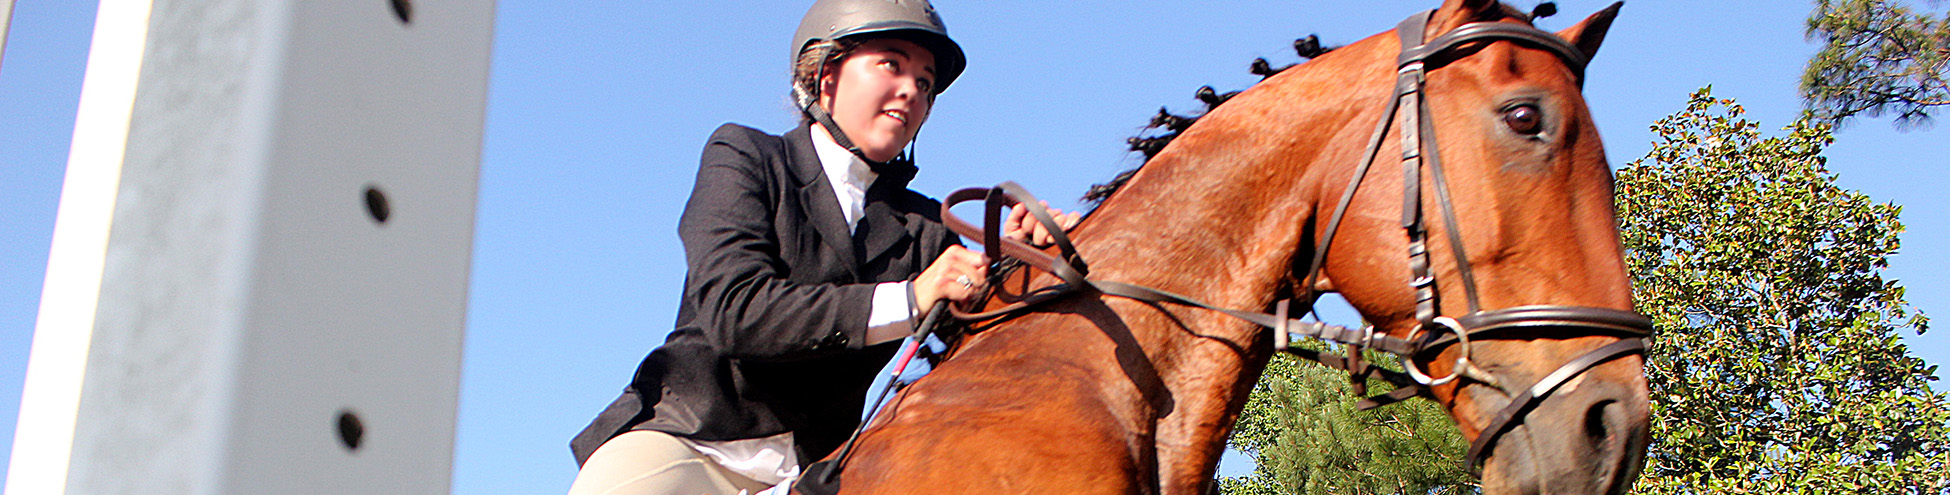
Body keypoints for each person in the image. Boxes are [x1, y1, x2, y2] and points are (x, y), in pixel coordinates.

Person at [566, 2, 1078, 494]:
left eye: (925, 83)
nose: (912, 92)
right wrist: (910, 298)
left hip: (821, 472)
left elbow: (978, 327)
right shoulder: (745, 155)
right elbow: (736, 311)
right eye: (891, 65)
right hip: (688, 447)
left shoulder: (925, 227)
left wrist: (1032, 259)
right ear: (826, 75)